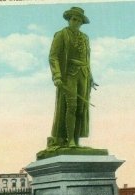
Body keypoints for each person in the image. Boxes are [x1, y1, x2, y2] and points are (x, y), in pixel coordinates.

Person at [49, 7, 98, 148]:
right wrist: (57, 75)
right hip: (69, 74)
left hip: (83, 75)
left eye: (77, 20)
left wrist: (91, 77)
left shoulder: (85, 38)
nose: (74, 21)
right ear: (69, 19)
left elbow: (86, 59)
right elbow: (53, 57)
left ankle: (76, 140)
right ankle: (69, 140)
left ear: (81, 22)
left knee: (81, 108)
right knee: (71, 106)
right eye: (72, 19)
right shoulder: (61, 35)